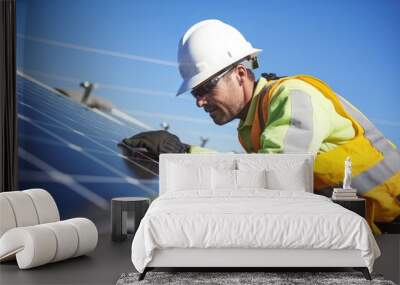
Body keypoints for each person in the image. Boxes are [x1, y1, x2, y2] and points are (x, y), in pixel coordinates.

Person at [122, 19, 400, 234]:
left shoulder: (292, 96)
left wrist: (183, 155)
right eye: (196, 93)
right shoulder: (253, 123)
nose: (200, 101)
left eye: (206, 87)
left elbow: (273, 179)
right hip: (371, 225)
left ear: (240, 74)